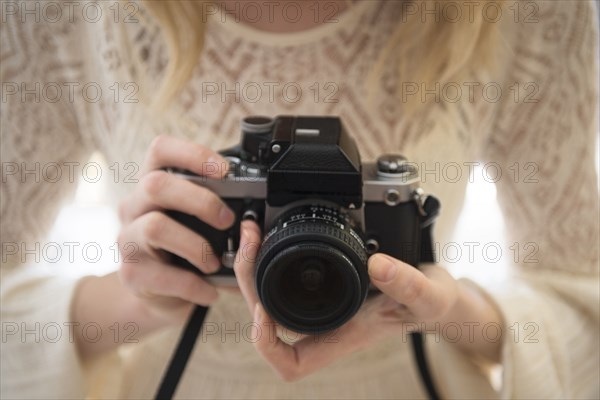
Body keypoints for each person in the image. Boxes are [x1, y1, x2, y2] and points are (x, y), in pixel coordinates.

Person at [1, 0, 598, 398]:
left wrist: (445, 311)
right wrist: (138, 303)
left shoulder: (523, 11)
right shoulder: (56, 13)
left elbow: (584, 304)